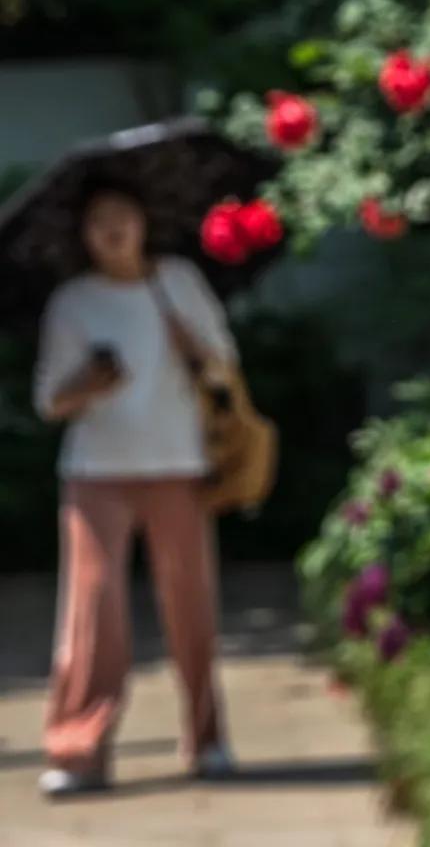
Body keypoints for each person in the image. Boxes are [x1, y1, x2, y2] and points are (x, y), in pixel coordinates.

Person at [32, 177, 237, 797]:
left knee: (192, 604)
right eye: (99, 221)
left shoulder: (176, 280)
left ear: (145, 222)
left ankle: (207, 740)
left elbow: (225, 364)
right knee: (92, 612)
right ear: (84, 236)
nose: (113, 230)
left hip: (176, 462)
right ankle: (78, 749)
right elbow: (48, 400)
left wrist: (191, 346)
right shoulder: (72, 302)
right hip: (96, 473)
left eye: (123, 216)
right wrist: (88, 385)